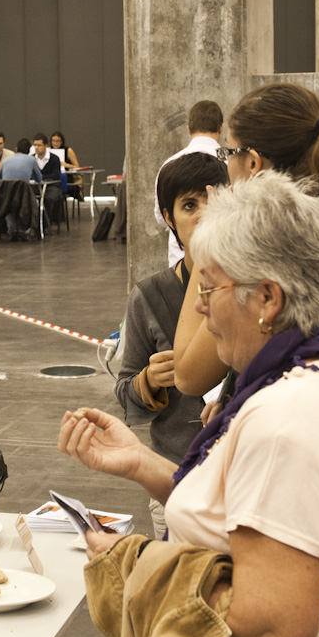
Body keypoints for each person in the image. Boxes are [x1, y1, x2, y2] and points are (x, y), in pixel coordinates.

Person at [60, 170, 319, 637]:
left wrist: (135, 568)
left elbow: (273, 622)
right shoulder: (293, 380)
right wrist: (143, 464)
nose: (200, 308)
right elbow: (245, 520)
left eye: (209, 289)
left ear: (267, 298)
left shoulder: (286, 418)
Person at [174, 82, 319, 399]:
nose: (225, 165)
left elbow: (187, 375)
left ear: (254, 163)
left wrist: (211, 238)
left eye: (228, 152)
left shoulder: (264, 246)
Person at [114, 152, 229, 537]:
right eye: (189, 205)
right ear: (168, 217)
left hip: (240, 473)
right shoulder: (149, 295)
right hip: (174, 473)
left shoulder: (251, 288)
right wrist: (147, 382)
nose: (201, 215)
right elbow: (125, 393)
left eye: (212, 202)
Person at [153, 100, 223, 266]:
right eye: (190, 206)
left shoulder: (169, 165)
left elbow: (159, 215)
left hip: (179, 259)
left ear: (189, 129)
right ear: (221, 128)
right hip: (224, 260)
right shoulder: (232, 163)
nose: (202, 217)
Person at [0, 138, 41, 240]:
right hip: (23, 198)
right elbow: (39, 179)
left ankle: (12, 230)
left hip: (6, 199)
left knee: (9, 204)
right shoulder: (32, 160)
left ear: (16, 149)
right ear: (29, 151)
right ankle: (25, 230)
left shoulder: (5, 160)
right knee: (35, 203)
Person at [30, 133, 62, 235]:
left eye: (39, 145)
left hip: (52, 187)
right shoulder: (31, 159)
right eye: (35, 145)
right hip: (36, 187)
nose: (36, 148)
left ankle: (44, 225)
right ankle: (31, 225)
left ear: (46, 146)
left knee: (47, 198)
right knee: (27, 197)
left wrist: (40, 177)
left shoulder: (54, 159)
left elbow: (56, 175)